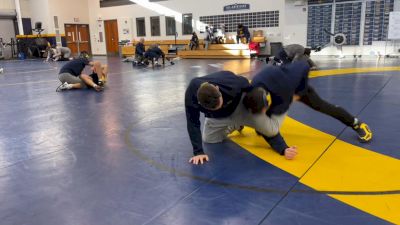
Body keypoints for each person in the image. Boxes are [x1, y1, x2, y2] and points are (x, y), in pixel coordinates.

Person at [185, 71, 296, 165]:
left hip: (241, 107)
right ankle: (236, 123)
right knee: (209, 139)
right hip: (218, 117)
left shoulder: (232, 82)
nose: (219, 106)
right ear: (200, 103)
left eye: (220, 103)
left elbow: (255, 93)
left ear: (217, 88)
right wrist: (198, 152)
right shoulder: (191, 95)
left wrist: (283, 148)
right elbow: (192, 122)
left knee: (270, 129)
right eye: (215, 107)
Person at [268, 44, 373, 143]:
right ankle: (264, 127)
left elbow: (295, 69)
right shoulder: (287, 55)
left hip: (297, 87)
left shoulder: (294, 55)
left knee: (322, 106)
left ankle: (357, 124)